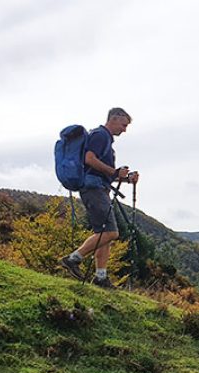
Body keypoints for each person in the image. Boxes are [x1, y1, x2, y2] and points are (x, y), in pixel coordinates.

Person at [59, 108, 139, 288]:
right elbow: (89, 159)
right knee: (111, 232)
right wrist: (115, 172)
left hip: (97, 187)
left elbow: (104, 172)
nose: (125, 130)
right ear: (113, 119)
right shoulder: (100, 135)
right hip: (93, 188)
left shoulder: (105, 140)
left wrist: (125, 178)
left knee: (104, 235)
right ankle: (73, 259)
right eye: (123, 125)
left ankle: (101, 277)